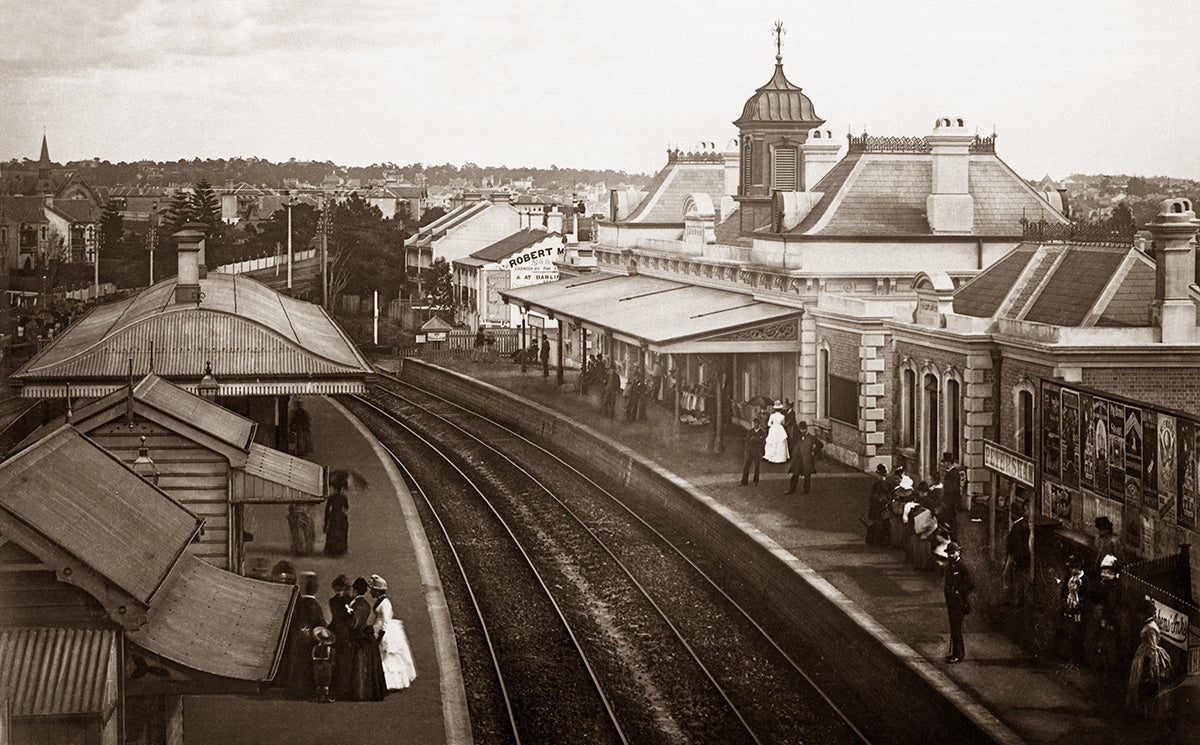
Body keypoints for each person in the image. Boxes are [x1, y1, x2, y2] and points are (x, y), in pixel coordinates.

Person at [281, 571, 327, 699]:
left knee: (296, 665)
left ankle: (294, 690)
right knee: (307, 665)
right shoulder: (315, 606)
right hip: (310, 640)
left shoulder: (298, 603)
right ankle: (306, 691)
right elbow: (321, 623)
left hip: (297, 638)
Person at [370, 575, 417, 690]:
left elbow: (386, 621)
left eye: (372, 590)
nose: (370, 592)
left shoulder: (385, 603)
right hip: (378, 627)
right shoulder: (379, 601)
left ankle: (390, 683)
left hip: (385, 630)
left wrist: (380, 636)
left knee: (387, 655)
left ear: (377, 591)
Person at [347, 577, 387, 701]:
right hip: (366, 633)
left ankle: (360, 693)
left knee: (360, 665)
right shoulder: (364, 603)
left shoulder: (358, 604)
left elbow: (355, 623)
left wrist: (347, 615)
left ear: (354, 590)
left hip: (360, 635)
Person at [1126, 615, 1172, 718]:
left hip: (1148, 656)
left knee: (1148, 684)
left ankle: (1147, 712)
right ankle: (1143, 711)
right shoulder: (1149, 626)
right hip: (1144, 654)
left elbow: (1152, 646)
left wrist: (1146, 665)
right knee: (1144, 685)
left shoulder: (1150, 628)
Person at [943, 542, 974, 663]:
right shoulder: (950, 566)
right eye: (949, 553)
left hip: (959, 603)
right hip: (951, 602)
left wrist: (959, 592)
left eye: (953, 553)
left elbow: (970, 584)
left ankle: (958, 655)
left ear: (958, 553)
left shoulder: (961, 566)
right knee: (954, 628)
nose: (950, 556)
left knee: (956, 628)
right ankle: (955, 653)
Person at [1054, 555, 1086, 666]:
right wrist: (1065, 604)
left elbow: (1085, 598)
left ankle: (1075, 660)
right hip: (1068, 609)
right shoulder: (1068, 579)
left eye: (1076, 568)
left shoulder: (1083, 581)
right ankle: (1065, 657)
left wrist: (1078, 606)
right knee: (1065, 632)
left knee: (1076, 635)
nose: (1073, 570)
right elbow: (1063, 593)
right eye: (1072, 568)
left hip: (1078, 612)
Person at [328, 575, 355, 700]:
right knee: (339, 661)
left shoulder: (343, 601)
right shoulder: (339, 601)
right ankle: (340, 687)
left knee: (343, 661)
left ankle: (343, 688)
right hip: (341, 632)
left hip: (343, 632)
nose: (339, 591)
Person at [1003, 502, 1032, 606]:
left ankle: (1017, 601)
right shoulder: (1023, 524)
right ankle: (1016, 600)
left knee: (1017, 579)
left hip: (1018, 558)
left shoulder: (1018, 527)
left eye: (1012, 513)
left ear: (1016, 514)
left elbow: (1018, 545)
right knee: (1018, 579)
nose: (1010, 515)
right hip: (1021, 557)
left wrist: (1015, 559)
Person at [786, 421, 823, 495]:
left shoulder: (811, 438)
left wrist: (814, 452)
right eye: (801, 429)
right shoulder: (798, 437)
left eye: (804, 429)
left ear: (806, 428)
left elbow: (820, 445)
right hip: (798, 460)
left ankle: (806, 491)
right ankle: (791, 490)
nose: (802, 431)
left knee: (807, 475)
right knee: (795, 475)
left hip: (807, 459)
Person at [865, 464, 892, 546]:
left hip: (883, 506)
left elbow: (890, 495)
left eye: (882, 475)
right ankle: (876, 540)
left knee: (883, 524)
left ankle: (881, 540)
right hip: (876, 507)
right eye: (880, 475)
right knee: (877, 523)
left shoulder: (889, 485)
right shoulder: (876, 485)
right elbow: (872, 496)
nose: (881, 477)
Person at [323, 481, 350, 557]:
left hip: (333, 516)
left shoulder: (331, 497)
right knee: (341, 532)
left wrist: (326, 521)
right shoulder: (343, 497)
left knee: (333, 532)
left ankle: (331, 550)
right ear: (341, 488)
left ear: (334, 488)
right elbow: (346, 508)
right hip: (341, 516)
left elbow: (327, 509)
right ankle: (340, 549)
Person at [940, 453, 964, 537]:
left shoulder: (953, 473)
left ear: (949, 462)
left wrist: (947, 500)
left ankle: (953, 535)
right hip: (949, 499)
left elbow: (953, 489)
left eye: (945, 462)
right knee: (949, 517)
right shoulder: (950, 472)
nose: (944, 464)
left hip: (951, 500)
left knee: (951, 517)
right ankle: (951, 533)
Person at [311, 626, 336, 703]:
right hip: (323, 666)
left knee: (324, 681)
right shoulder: (319, 648)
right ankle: (320, 697)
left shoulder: (328, 649)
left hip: (322, 666)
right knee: (321, 681)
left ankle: (323, 697)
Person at [740, 416, 768, 486]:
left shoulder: (762, 432)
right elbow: (747, 440)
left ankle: (755, 481)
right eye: (755, 423)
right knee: (747, 466)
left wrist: (754, 439)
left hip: (757, 451)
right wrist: (754, 439)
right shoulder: (750, 431)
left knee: (757, 466)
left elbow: (761, 441)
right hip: (750, 451)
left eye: (757, 423)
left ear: (759, 424)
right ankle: (744, 481)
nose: (756, 424)